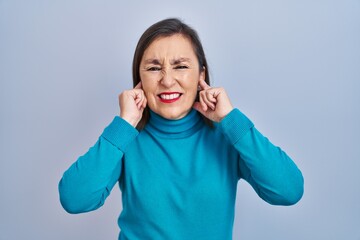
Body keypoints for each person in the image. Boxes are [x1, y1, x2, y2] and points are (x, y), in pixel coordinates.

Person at [59, 18, 304, 240]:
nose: (166, 80)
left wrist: (231, 119)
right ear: (139, 79)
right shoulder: (125, 139)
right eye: (154, 68)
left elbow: (288, 191)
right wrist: (123, 125)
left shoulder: (228, 136)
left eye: (181, 66)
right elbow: (74, 199)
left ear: (201, 75)